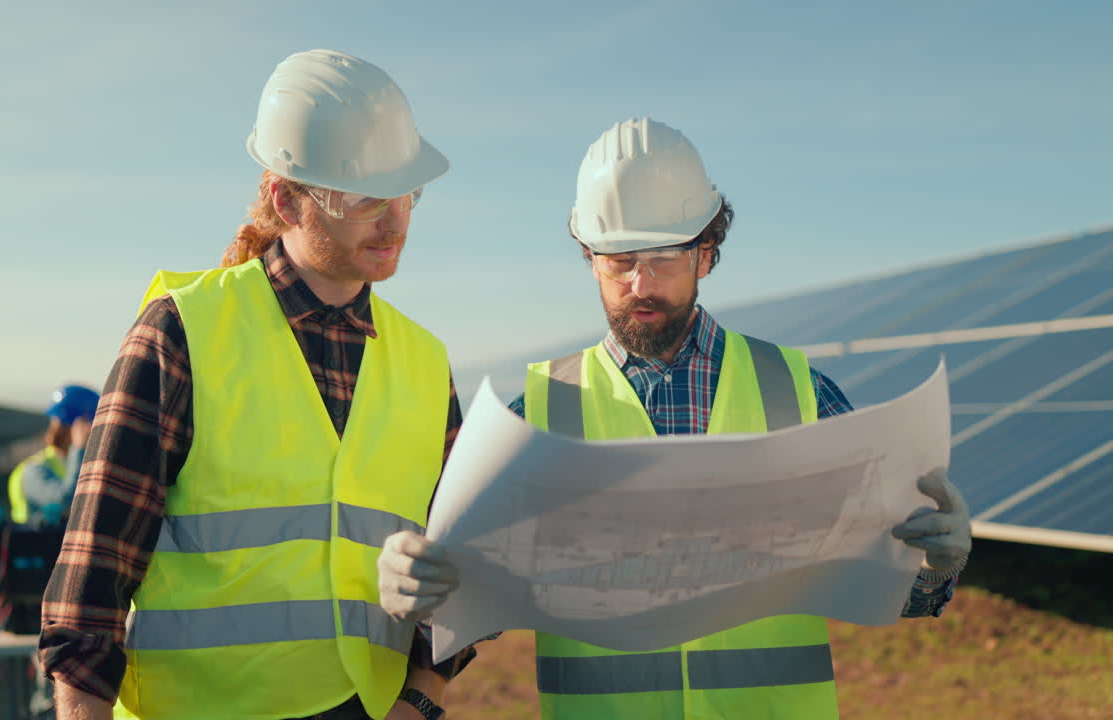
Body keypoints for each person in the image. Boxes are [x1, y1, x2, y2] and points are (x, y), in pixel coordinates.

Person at [377, 118, 972, 719]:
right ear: (589, 258)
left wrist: (933, 565)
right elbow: (479, 604)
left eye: (664, 257)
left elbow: (896, 592)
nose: (640, 283)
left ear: (705, 255)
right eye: (619, 260)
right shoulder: (538, 414)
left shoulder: (799, 393)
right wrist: (428, 589)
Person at [39, 50, 469, 720]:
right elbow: (89, 591)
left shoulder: (425, 361)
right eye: (364, 198)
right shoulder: (181, 333)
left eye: (407, 193)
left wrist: (422, 696)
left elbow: (460, 563)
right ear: (285, 199)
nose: (395, 221)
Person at [8, 384, 98, 525]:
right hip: (36, 539)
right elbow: (67, 504)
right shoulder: (34, 470)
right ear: (77, 427)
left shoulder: (80, 463)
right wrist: (78, 447)